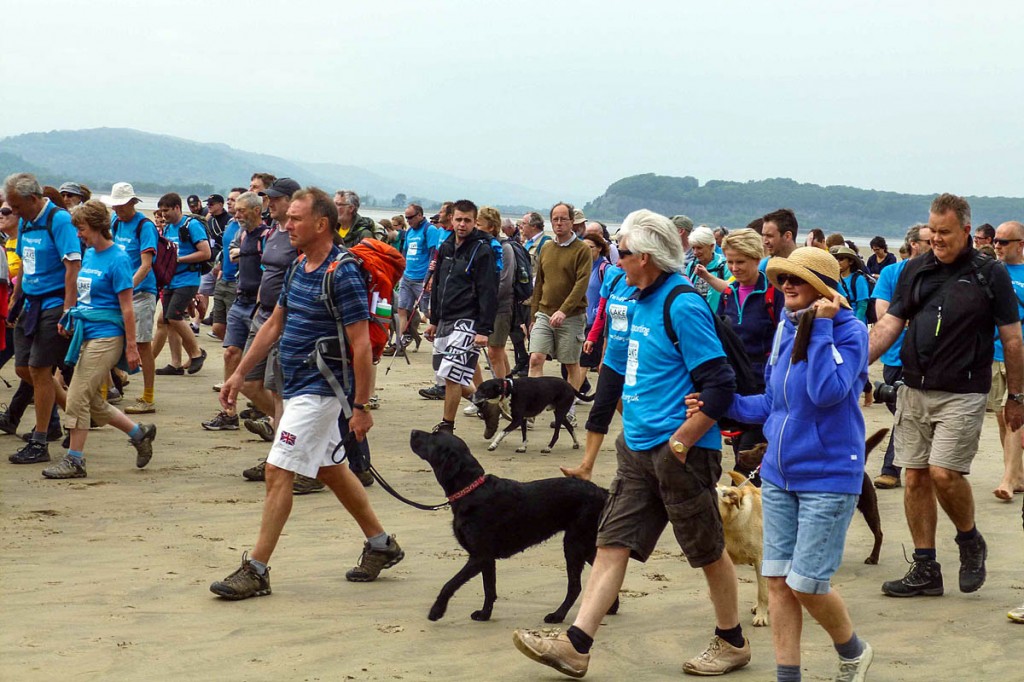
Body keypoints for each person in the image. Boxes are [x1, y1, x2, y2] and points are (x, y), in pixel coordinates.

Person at [513, 209, 747, 678]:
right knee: (611, 542)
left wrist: (681, 443)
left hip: (681, 453)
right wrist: (595, 449)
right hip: (636, 449)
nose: (614, 258)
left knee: (705, 548)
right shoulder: (627, 295)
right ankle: (576, 645)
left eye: (621, 251)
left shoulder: (681, 303)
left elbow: (721, 385)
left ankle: (732, 641)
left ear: (646, 256)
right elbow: (613, 376)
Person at [209, 187, 404, 600]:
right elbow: (274, 324)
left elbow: (362, 346)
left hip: (322, 388)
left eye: (295, 219)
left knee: (278, 469)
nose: (286, 225)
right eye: (287, 218)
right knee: (331, 469)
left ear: (321, 224)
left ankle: (257, 569)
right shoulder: (300, 266)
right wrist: (238, 375)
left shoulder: (343, 272)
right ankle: (381, 544)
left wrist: (362, 406)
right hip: (295, 383)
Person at [713, 246, 872, 682]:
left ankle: (853, 651)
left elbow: (827, 392)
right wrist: (716, 403)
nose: (786, 286)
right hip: (781, 478)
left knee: (806, 583)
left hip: (829, 476)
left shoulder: (849, 332)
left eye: (796, 280)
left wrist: (820, 328)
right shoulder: (785, 330)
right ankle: (788, 677)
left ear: (822, 290)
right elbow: (771, 403)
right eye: (782, 278)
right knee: (779, 580)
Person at [869, 193, 1023, 598]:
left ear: (967, 231)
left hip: (964, 390)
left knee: (943, 473)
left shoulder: (991, 275)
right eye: (931, 231)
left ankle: (970, 540)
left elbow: (1012, 340)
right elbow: (890, 325)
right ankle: (925, 568)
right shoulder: (914, 270)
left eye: (944, 232)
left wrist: (1016, 397)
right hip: (915, 387)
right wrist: (851, 365)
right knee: (916, 475)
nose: (935, 239)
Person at [40, 200, 157, 478]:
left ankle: (75, 460)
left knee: (77, 396)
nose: (78, 234)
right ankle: (139, 434)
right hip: (87, 334)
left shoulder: (118, 259)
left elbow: (127, 308)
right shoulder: (90, 254)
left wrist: (131, 347)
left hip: (107, 336)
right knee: (91, 401)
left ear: (95, 226)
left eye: (81, 228)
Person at [5, 173, 82, 465]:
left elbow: (72, 265)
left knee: (39, 370)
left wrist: (68, 309)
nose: (12, 212)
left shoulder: (59, 220)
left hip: (55, 302)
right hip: (30, 302)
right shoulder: (25, 220)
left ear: (33, 199)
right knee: (24, 369)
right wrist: (15, 296)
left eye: (16, 205)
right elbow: (25, 261)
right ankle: (78, 414)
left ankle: (40, 441)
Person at [560, 235, 637, 481]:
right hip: (613, 356)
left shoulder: (648, 283)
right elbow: (604, 314)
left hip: (639, 361)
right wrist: (595, 342)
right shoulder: (614, 277)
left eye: (624, 253)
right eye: (619, 252)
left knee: (635, 407)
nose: (619, 257)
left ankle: (642, 437)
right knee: (600, 410)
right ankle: (586, 467)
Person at [425, 199, 497, 434]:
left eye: (467, 220)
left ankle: (447, 426)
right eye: (458, 219)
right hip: (445, 318)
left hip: (468, 320)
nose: (462, 224)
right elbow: (437, 285)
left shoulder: (482, 250)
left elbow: (488, 291)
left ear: (475, 222)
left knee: (451, 375)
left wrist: (484, 329)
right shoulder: (445, 246)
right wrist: (434, 319)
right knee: (445, 373)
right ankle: (483, 404)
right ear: (451, 220)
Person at [716, 228, 783, 476]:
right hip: (734, 384)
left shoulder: (774, 293)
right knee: (739, 452)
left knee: (746, 463)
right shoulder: (728, 293)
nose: (734, 268)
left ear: (757, 258)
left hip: (764, 388)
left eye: (740, 262)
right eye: (730, 261)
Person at [872, 224, 933, 490]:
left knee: (908, 411)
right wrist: (909, 320)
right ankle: (920, 460)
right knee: (906, 410)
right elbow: (882, 311)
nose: (935, 245)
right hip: (896, 356)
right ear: (914, 244)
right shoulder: (891, 272)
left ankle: (892, 468)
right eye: (929, 242)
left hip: (931, 358)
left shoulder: (943, 275)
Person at [201, 192, 266, 431]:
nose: (236, 214)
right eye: (235, 210)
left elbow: (268, 268)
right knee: (230, 352)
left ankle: (266, 411)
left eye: (241, 211)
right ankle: (229, 412)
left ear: (257, 211)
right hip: (241, 298)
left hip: (260, 305)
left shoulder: (267, 236)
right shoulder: (242, 232)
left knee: (258, 358)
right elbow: (231, 254)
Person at [528, 202, 590, 426]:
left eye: (564, 218)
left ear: (572, 221)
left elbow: (581, 284)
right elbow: (539, 284)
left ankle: (568, 410)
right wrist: (533, 315)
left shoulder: (582, 250)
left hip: (572, 316)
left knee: (570, 363)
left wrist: (564, 311)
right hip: (544, 312)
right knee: (536, 358)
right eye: (555, 218)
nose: (559, 223)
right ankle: (531, 409)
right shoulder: (546, 248)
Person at [107, 182, 160, 415]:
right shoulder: (115, 223)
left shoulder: (145, 226)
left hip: (141, 293)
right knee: (107, 340)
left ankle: (148, 397)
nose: (117, 210)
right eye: (115, 206)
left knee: (142, 344)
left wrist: (125, 288)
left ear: (132, 203)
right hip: (118, 293)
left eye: (121, 205)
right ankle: (104, 391)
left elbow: (146, 266)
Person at [150, 193, 209, 376]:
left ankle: (196, 353)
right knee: (165, 320)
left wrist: (179, 259)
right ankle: (175, 364)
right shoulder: (167, 229)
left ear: (177, 207)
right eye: (161, 211)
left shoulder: (191, 226)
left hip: (188, 280)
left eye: (166, 210)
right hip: (170, 281)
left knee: (174, 317)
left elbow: (206, 253)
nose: (164, 215)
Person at [991, 221, 1024, 501]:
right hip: (992, 353)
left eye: (1003, 241)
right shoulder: (990, 272)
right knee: (1001, 419)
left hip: (1020, 355)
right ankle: (1018, 473)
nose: (997, 246)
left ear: (1020, 244)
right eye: (996, 241)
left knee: (1012, 416)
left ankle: (1008, 479)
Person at [391, 203, 436, 356]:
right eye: (406, 217)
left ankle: (441, 334)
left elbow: (433, 254)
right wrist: (400, 273)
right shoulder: (409, 231)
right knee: (402, 310)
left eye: (410, 217)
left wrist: (429, 276)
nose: (408, 220)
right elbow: (404, 253)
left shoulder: (429, 230)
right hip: (407, 277)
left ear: (419, 215)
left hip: (421, 278)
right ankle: (399, 342)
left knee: (427, 311)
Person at [477, 206, 514, 380]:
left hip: (500, 307)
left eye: (479, 224)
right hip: (481, 305)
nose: (476, 228)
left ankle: (500, 394)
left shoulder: (504, 248)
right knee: (497, 352)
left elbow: (505, 283)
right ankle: (509, 385)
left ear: (491, 227)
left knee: (495, 352)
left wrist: (484, 299)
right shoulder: (478, 246)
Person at [579, 232, 611, 370]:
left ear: (599, 248)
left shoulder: (605, 269)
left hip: (597, 323)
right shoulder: (582, 267)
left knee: (585, 362)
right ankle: (586, 389)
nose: (586, 250)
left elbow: (608, 297)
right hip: (581, 321)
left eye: (590, 247)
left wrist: (595, 312)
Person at [685, 225, 729, 312]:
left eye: (699, 248)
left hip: (719, 319)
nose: (695, 252)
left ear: (711, 246)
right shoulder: (691, 266)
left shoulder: (724, 266)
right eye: (693, 248)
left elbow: (731, 291)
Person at [831, 246, 870, 324]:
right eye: (837, 259)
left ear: (851, 262)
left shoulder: (859, 279)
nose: (838, 261)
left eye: (841, 259)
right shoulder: (836, 278)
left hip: (855, 319)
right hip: (840, 320)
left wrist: (856, 323)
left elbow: (862, 305)